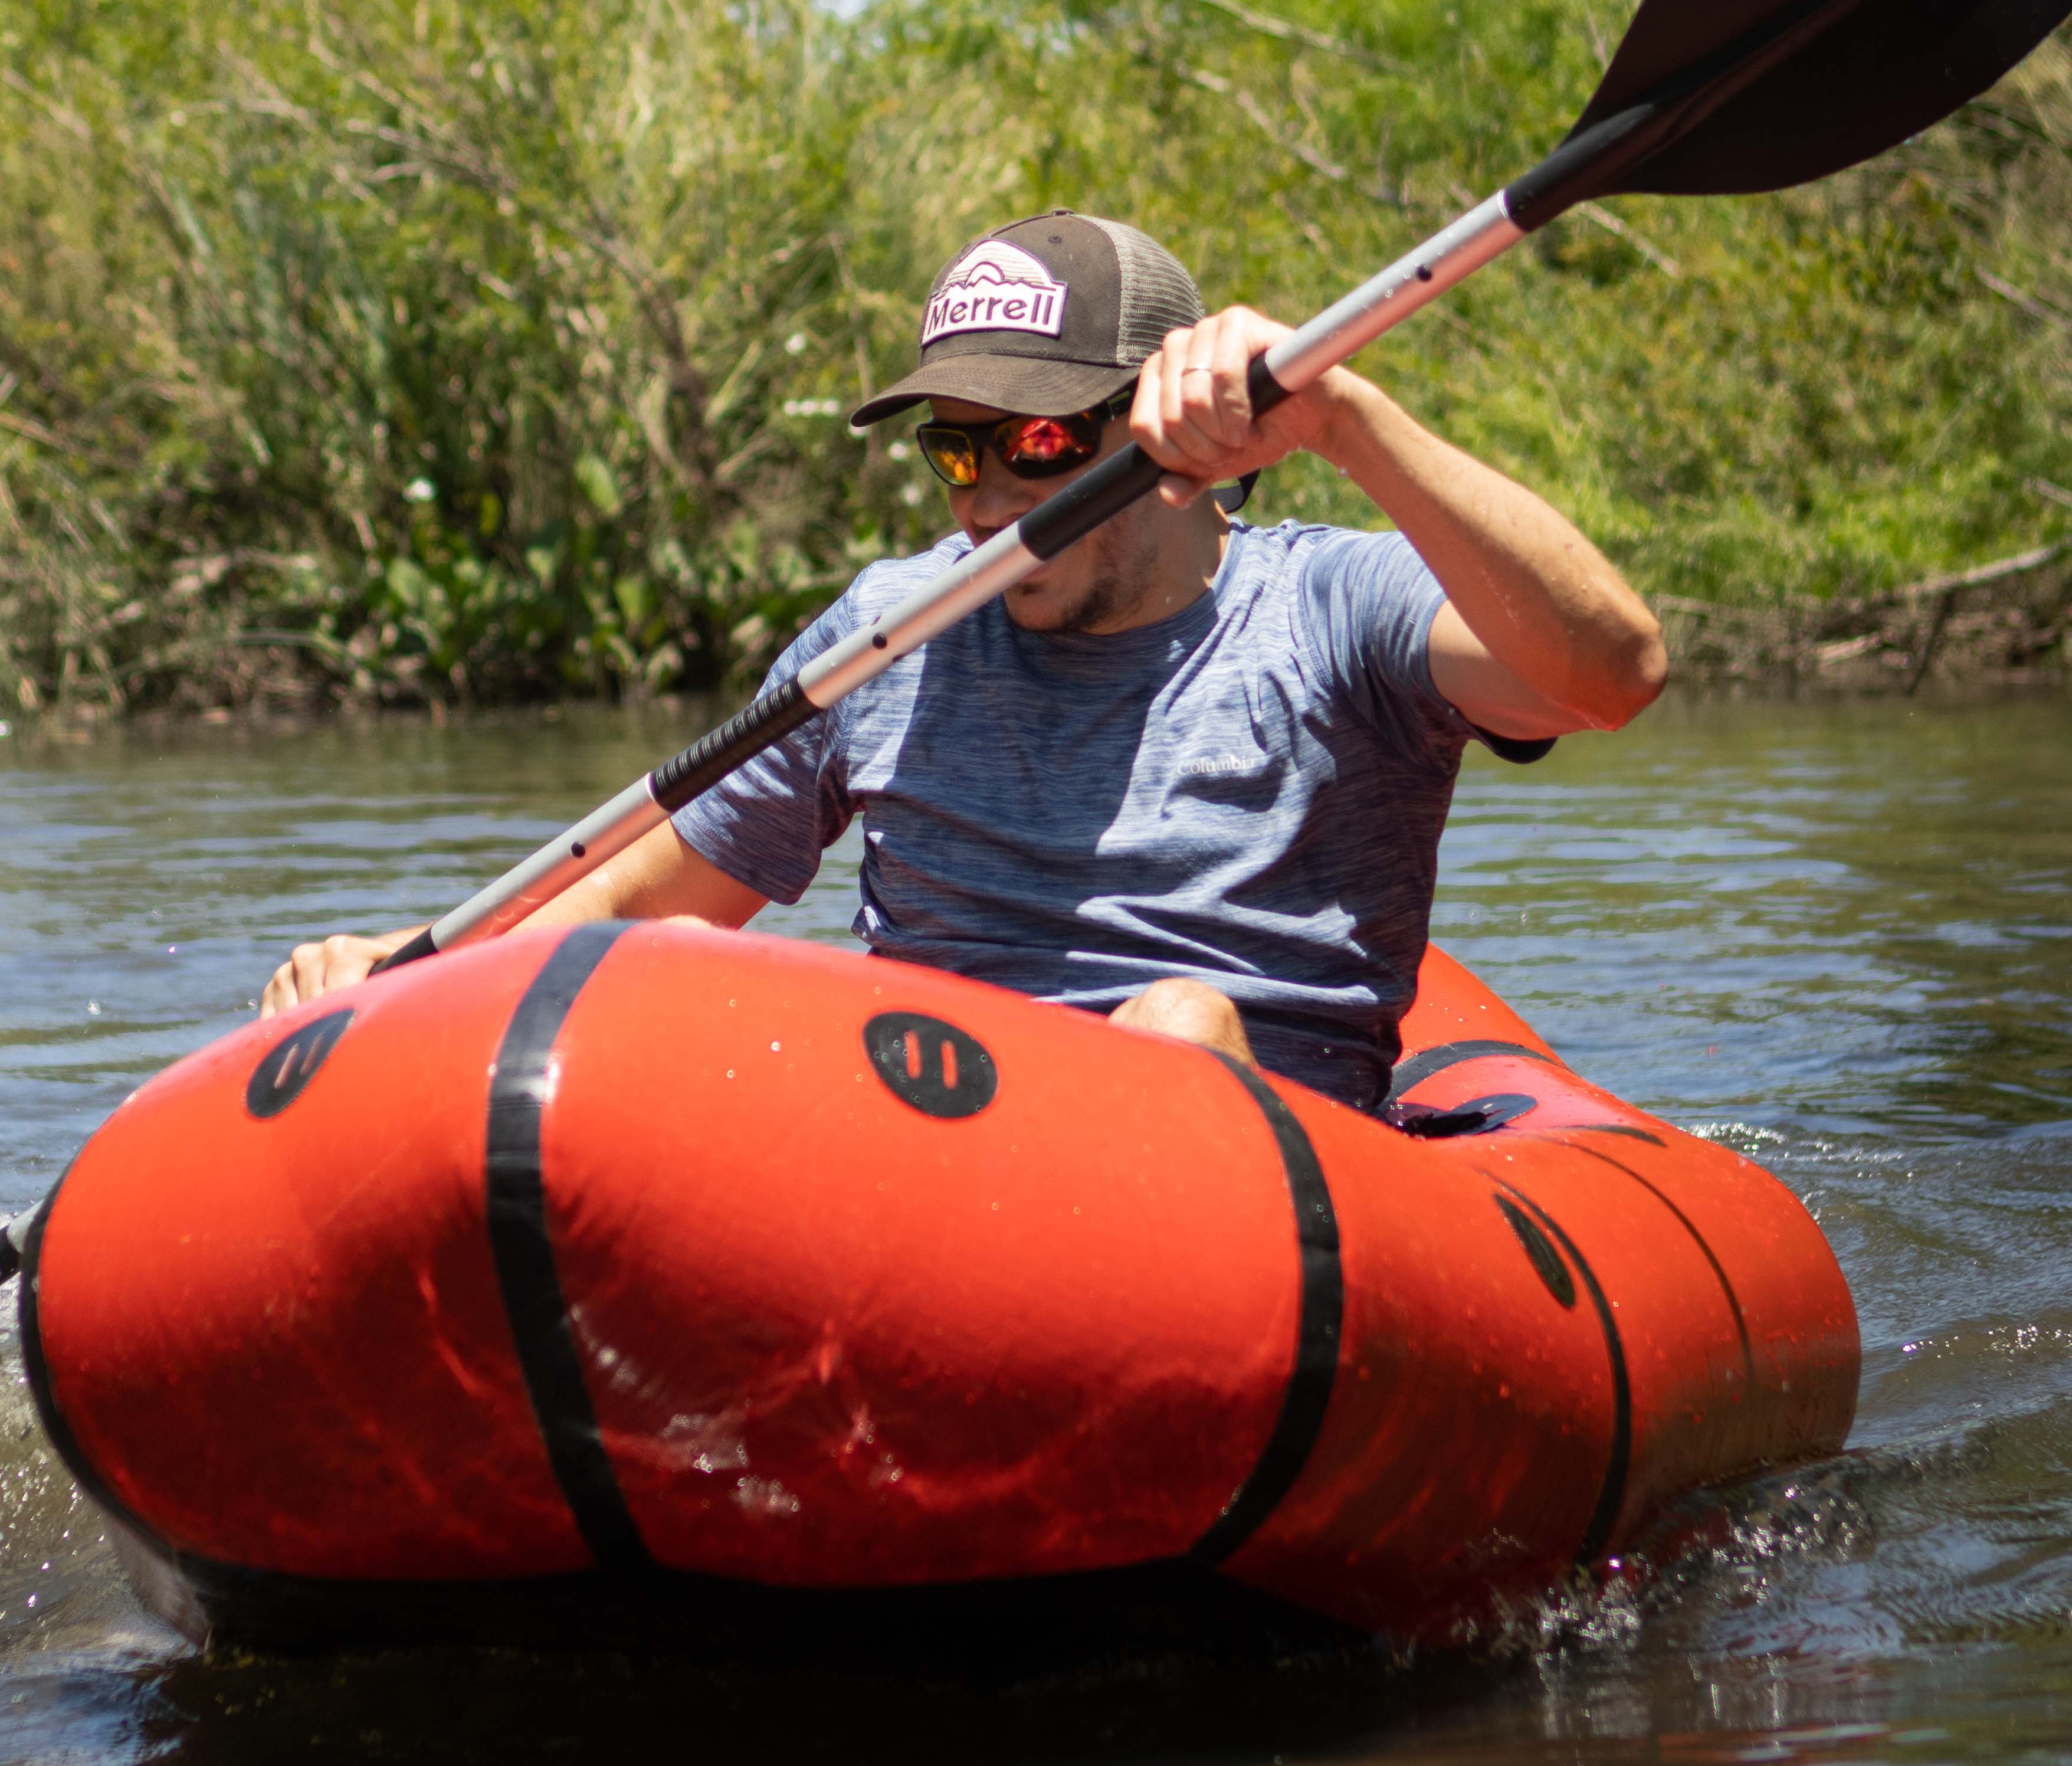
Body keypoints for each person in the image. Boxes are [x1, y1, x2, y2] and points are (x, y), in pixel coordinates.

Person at [261, 209, 1667, 1115]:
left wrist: (1344, 418)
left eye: (1040, 443)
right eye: (953, 445)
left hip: (1262, 1204)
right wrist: (398, 972)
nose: (986, 493)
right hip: (930, 1156)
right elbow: (630, 899)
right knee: (676, 965)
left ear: (1161, 426)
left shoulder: (1332, 610)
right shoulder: (889, 628)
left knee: (1174, 1026)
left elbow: (1612, 671)